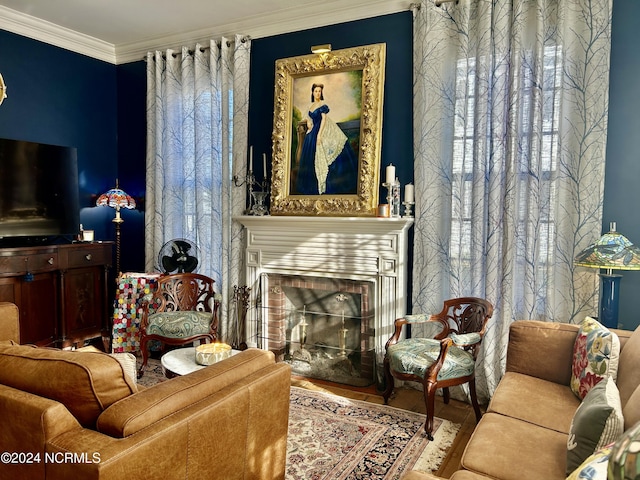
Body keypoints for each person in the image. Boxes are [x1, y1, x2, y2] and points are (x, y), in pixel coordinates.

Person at [294, 83, 358, 195]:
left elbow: (323, 120)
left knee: (322, 153)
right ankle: (310, 186)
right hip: (312, 131)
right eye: (316, 91)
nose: (318, 93)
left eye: (319, 91)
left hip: (321, 129)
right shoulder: (311, 106)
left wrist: (319, 134)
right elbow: (308, 117)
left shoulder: (322, 104)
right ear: (312, 92)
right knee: (309, 156)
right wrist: (308, 122)